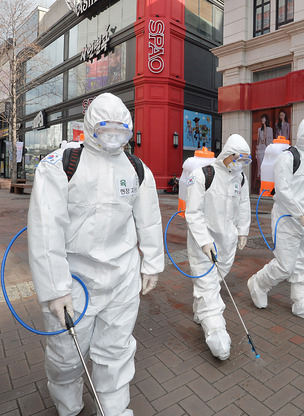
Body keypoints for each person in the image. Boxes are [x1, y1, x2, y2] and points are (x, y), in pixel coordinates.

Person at [27, 92, 164, 416]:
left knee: (116, 349)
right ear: (91, 126)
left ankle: (114, 409)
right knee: (66, 354)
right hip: (74, 279)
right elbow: (46, 230)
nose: (114, 137)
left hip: (122, 276)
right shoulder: (61, 166)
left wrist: (152, 264)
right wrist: (55, 288)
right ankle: (68, 404)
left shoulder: (136, 169)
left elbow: (149, 219)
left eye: (122, 130)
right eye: (107, 129)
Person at [247, 118, 304, 321]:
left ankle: (301, 302)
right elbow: (283, 190)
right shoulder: (288, 158)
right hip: (287, 220)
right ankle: (258, 283)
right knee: (285, 265)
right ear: (303, 135)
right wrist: (300, 214)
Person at [184, 134, 251, 360]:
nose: (241, 164)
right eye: (239, 158)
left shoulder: (240, 178)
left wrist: (243, 230)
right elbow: (192, 212)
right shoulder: (203, 175)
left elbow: (243, 206)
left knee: (214, 281)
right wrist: (204, 240)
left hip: (227, 242)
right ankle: (216, 332)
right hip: (203, 243)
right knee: (208, 285)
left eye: (246, 160)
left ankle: (200, 311)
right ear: (228, 154)